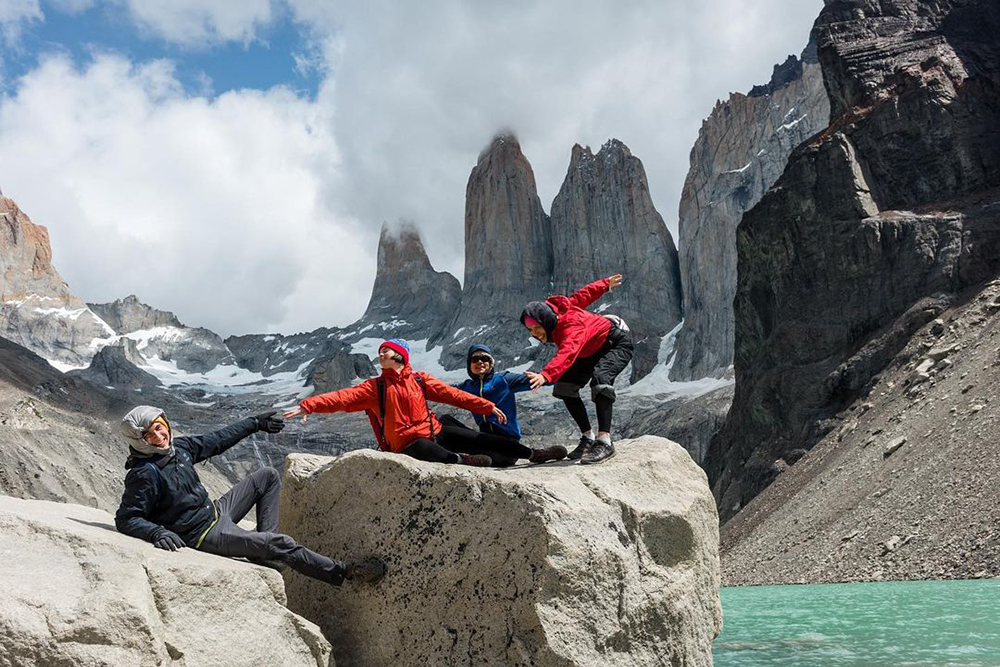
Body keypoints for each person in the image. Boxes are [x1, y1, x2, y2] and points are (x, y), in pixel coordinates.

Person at [114, 405, 385, 586]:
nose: (160, 436)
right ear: (140, 441)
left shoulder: (180, 447)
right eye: (150, 434)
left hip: (216, 511)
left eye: (160, 427)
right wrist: (157, 533)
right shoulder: (145, 473)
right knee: (283, 543)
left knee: (267, 475)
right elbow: (127, 518)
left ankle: (263, 550)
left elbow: (218, 440)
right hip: (201, 535)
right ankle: (345, 572)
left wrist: (255, 423)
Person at [284, 338, 516, 467]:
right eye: (381, 351)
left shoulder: (419, 380)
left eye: (386, 350)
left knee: (483, 440)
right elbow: (343, 398)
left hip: (431, 433)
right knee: (423, 447)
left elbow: (452, 395)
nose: (381, 354)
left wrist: (486, 406)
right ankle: (463, 460)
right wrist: (309, 405)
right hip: (406, 445)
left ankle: (534, 454)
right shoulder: (375, 387)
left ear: (400, 357)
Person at [519, 274, 634, 465]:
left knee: (601, 380)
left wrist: (545, 375)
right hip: (590, 350)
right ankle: (588, 438)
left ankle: (604, 441)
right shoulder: (559, 309)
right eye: (530, 330)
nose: (534, 334)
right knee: (565, 387)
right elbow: (582, 296)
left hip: (615, 343)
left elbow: (568, 353)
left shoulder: (571, 326)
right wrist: (604, 284)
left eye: (535, 328)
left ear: (545, 321)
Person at [446, 343, 567, 466]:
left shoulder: (504, 379)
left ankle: (535, 454)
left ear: (491, 363)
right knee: (445, 421)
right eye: (475, 359)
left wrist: (547, 377)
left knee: (493, 457)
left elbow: (540, 380)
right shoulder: (466, 387)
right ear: (469, 364)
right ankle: (471, 457)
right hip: (483, 439)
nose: (480, 362)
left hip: (508, 446)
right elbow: (441, 390)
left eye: (485, 359)